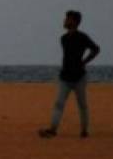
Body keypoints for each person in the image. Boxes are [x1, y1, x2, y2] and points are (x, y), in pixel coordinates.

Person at [38, 10, 100, 139]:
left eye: (67, 19)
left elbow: (96, 49)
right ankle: (53, 129)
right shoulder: (64, 38)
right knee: (59, 103)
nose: (65, 21)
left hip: (79, 77)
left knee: (82, 104)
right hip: (65, 76)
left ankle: (84, 131)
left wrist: (85, 61)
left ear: (75, 22)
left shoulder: (82, 37)